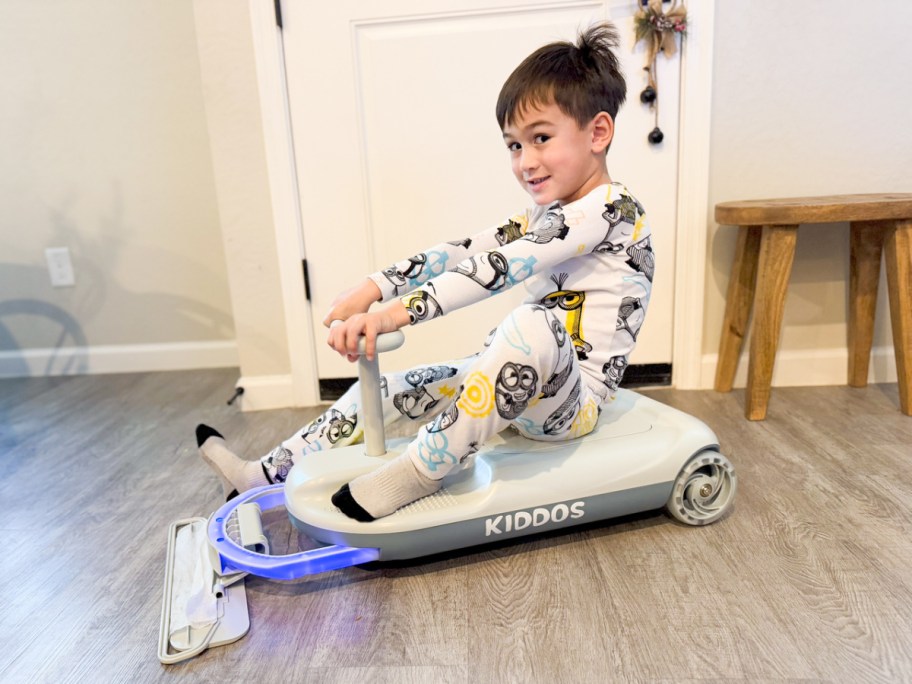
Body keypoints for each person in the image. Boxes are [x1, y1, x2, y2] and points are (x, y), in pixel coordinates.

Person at [197, 21, 654, 522]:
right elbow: (463, 251)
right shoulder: (544, 216)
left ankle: (420, 470)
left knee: (532, 324)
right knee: (396, 386)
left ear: (598, 132)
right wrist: (375, 285)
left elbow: (496, 270)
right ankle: (261, 475)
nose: (525, 161)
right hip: (524, 386)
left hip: (573, 404)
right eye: (514, 146)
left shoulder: (610, 209)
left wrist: (393, 316)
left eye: (540, 138)